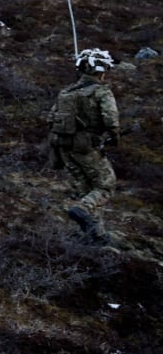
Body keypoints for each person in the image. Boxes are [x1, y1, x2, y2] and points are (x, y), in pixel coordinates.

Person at [48, 48, 121, 240]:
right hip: (86, 147)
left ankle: (95, 234)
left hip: (64, 146)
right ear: (101, 70)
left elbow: (50, 118)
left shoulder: (65, 93)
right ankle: (82, 209)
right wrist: (114, 137)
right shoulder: (101, 91)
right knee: (106, 185)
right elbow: (111, 120)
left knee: (86, 189)